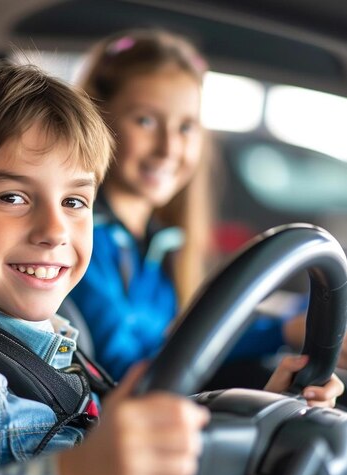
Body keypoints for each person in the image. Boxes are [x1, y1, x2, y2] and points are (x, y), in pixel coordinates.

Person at [0, 62, 342, 475]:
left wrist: (261, 415)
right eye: (13, 197)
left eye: (75, 201)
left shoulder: (56, 346)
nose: (54, 229)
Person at [69, 29, 306, 381]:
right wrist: (281, 332)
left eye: (185, 127)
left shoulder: (160, 242)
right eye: (146, 121)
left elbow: (171, 345)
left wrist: (296, 323)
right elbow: (123, 370)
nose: (168, 148)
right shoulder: (81, 235)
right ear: (98, 120)